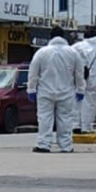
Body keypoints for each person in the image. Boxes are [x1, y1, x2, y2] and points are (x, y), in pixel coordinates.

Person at [27, 26, 84, 154]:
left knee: (44, 118)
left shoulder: (41, 52)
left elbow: (33, 73)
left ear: (50, 37)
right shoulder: (73, 53)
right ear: (63, 37)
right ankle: (66, 146)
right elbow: (79, 74)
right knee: (65, 119)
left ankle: (43, 145)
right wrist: (81, 90)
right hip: (66, 92)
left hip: (45, 91)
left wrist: (31, 89)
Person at [71, 31, 96, 134]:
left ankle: (75, 125)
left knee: (77, 101)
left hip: (79, 78)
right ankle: (86, 127)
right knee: (90, 103)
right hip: (93, 80)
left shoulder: (77, 47)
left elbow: (68, 58)